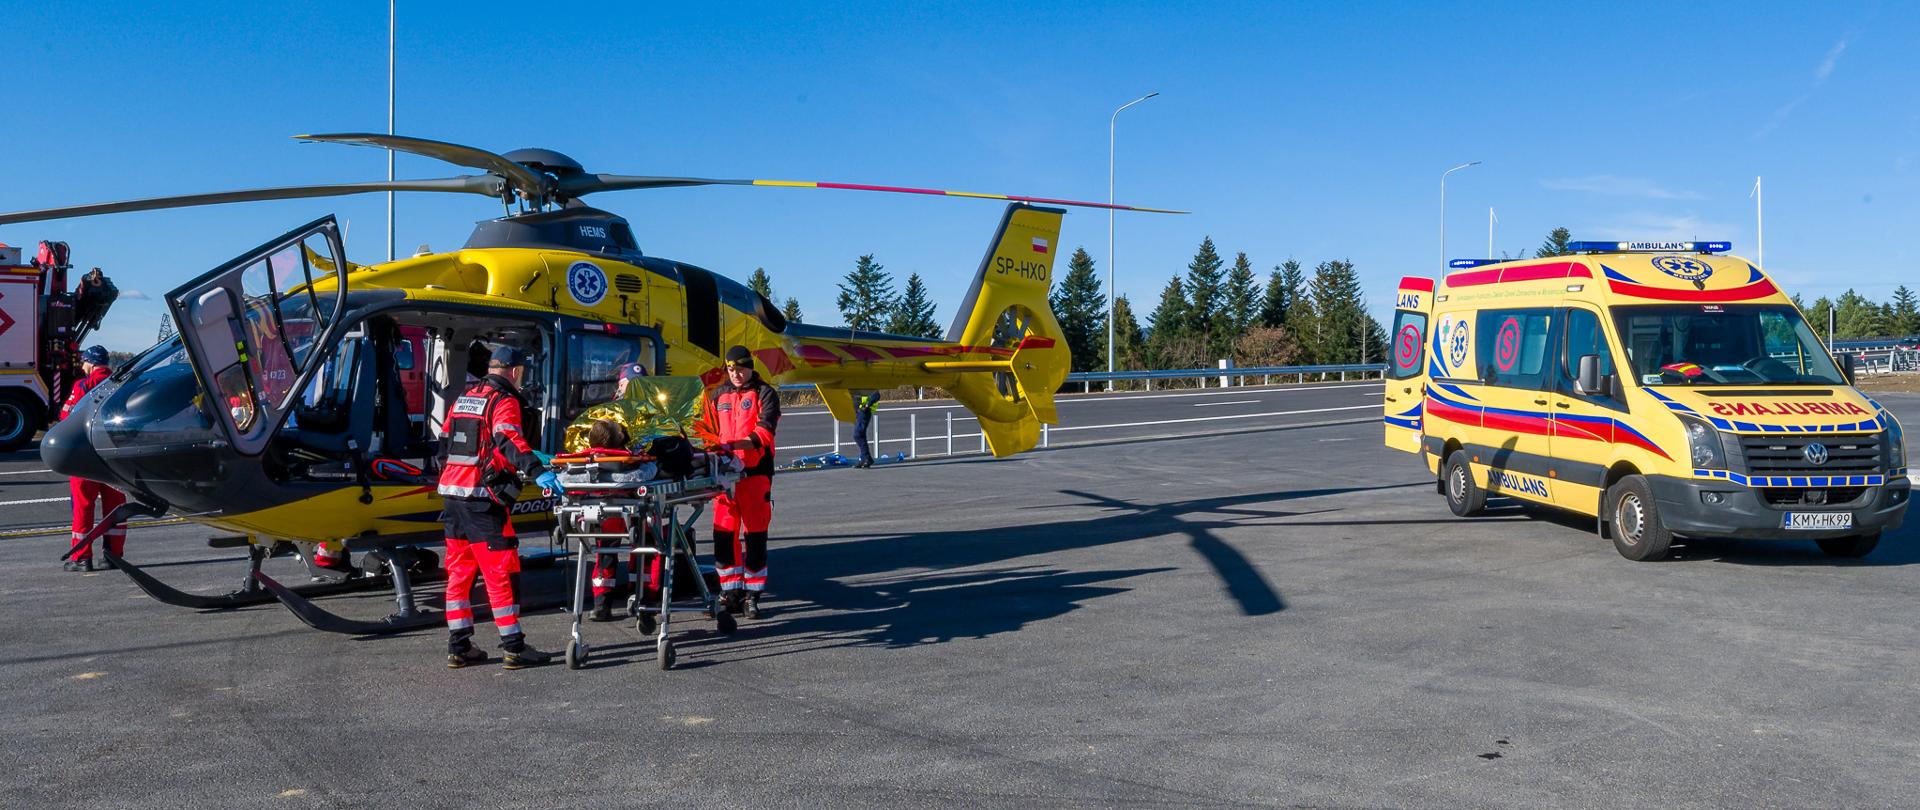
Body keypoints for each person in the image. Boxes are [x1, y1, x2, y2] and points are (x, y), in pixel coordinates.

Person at [436, 346, 559, 669]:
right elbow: (507, 439)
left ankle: (459, 645)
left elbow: (444, 440)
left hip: (452, 495)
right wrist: (538, 472)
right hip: (481, 500)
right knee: (501, 572)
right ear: (515, 371)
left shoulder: (465, 397)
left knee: (459, 572)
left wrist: (454, 473)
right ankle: (514, 647)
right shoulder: (503, 401)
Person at [702, 345, 780, 618]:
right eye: (731, 369)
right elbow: (708, 430)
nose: (736, 374)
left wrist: (734, 445)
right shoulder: (718, 395)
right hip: (723, 476)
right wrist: (710, 450)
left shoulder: (765, 393)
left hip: (754, 475)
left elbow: (765, 431)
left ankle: (752, 594)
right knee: (723, 536)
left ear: (750, 367)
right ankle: (730, 592)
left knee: (755, 536)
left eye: (741, 368)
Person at [62, 346, 126, 571]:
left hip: (86, 455)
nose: (82, 366)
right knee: (115, 506)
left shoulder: (82, 385)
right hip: (115, 456)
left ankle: (82, 558)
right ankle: (114, 555)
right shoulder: (121, 384)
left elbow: (66, 416)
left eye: (83, 362)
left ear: (90, 363)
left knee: (83, 506)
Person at [851, 389, 880, 468]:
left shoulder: (865, 384)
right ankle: (864, 459)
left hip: (864, 412)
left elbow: (876, 394)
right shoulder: (855, 384)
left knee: (858, 435)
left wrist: (867, 405)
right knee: (861, 436)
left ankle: (866, 458)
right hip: (858, 412)